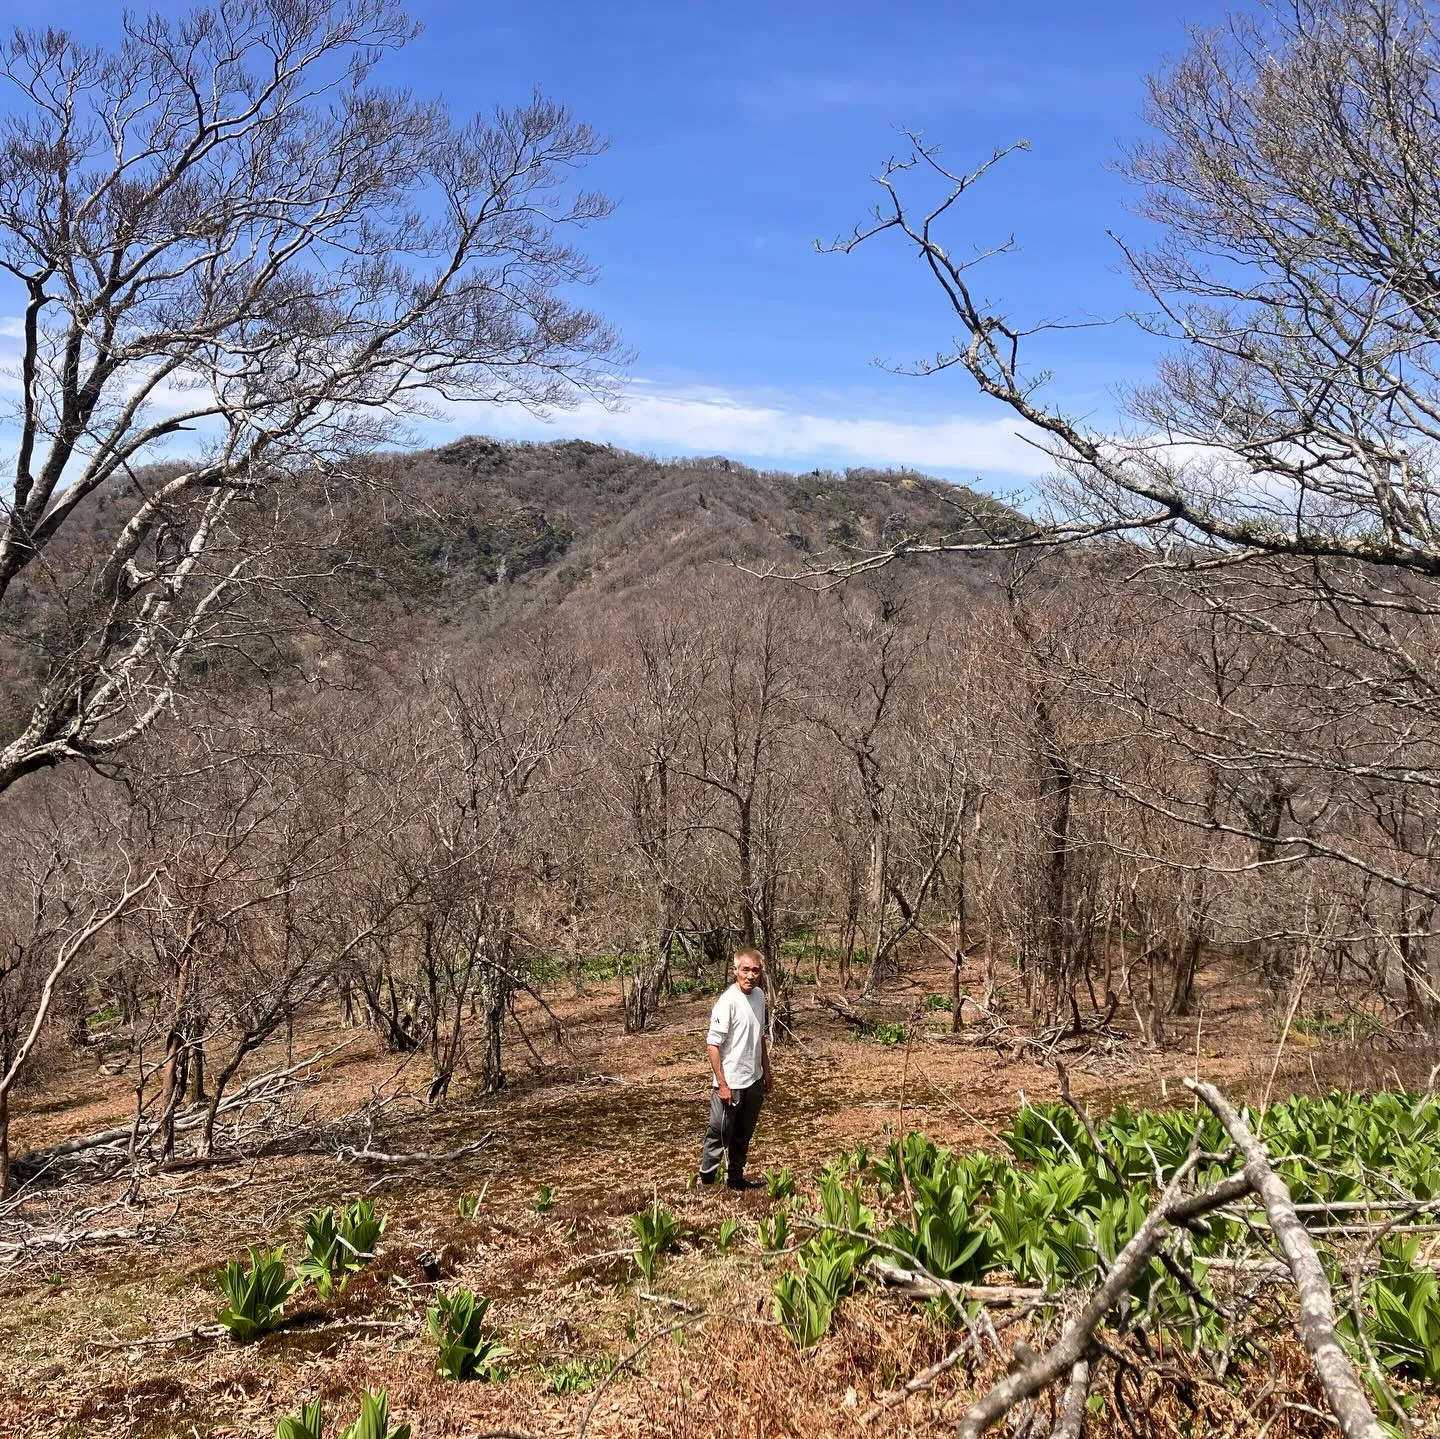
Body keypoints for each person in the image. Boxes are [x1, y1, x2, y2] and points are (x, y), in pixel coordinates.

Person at [697, 947, 772, 1190]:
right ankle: (707, 1181)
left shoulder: (759, 996)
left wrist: (766, 1071)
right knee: (719, 1132)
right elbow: (713, 1045)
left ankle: (736, 1179)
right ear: (735, 971)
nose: (750, 976)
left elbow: (759, 1035)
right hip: (731, 1082)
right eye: (745, 970)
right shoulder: (727, 1002)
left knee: (743, 1134)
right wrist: (722, 1083)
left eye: (755, 971)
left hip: (753, 1080)